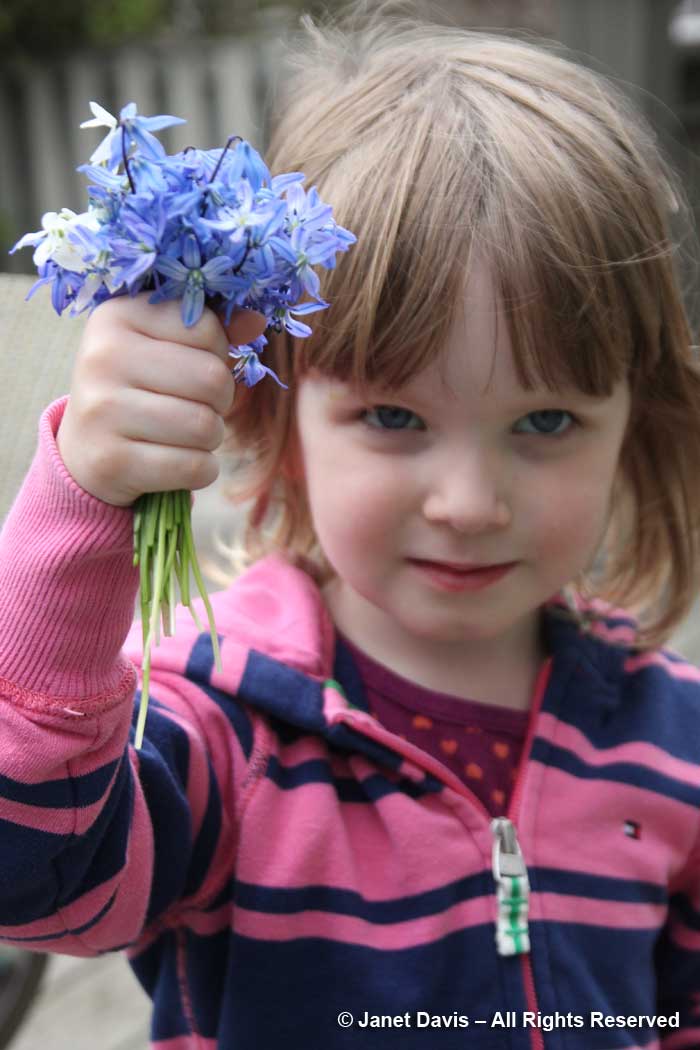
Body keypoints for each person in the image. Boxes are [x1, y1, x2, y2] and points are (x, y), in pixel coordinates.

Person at [1, 2, 700, 1047]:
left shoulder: (671, 740)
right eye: (392, 416)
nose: (468, 503)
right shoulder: (211, 723)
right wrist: (89, 502)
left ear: (629, 426)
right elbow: (38, 882)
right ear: (276, 417)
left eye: (546, 419)